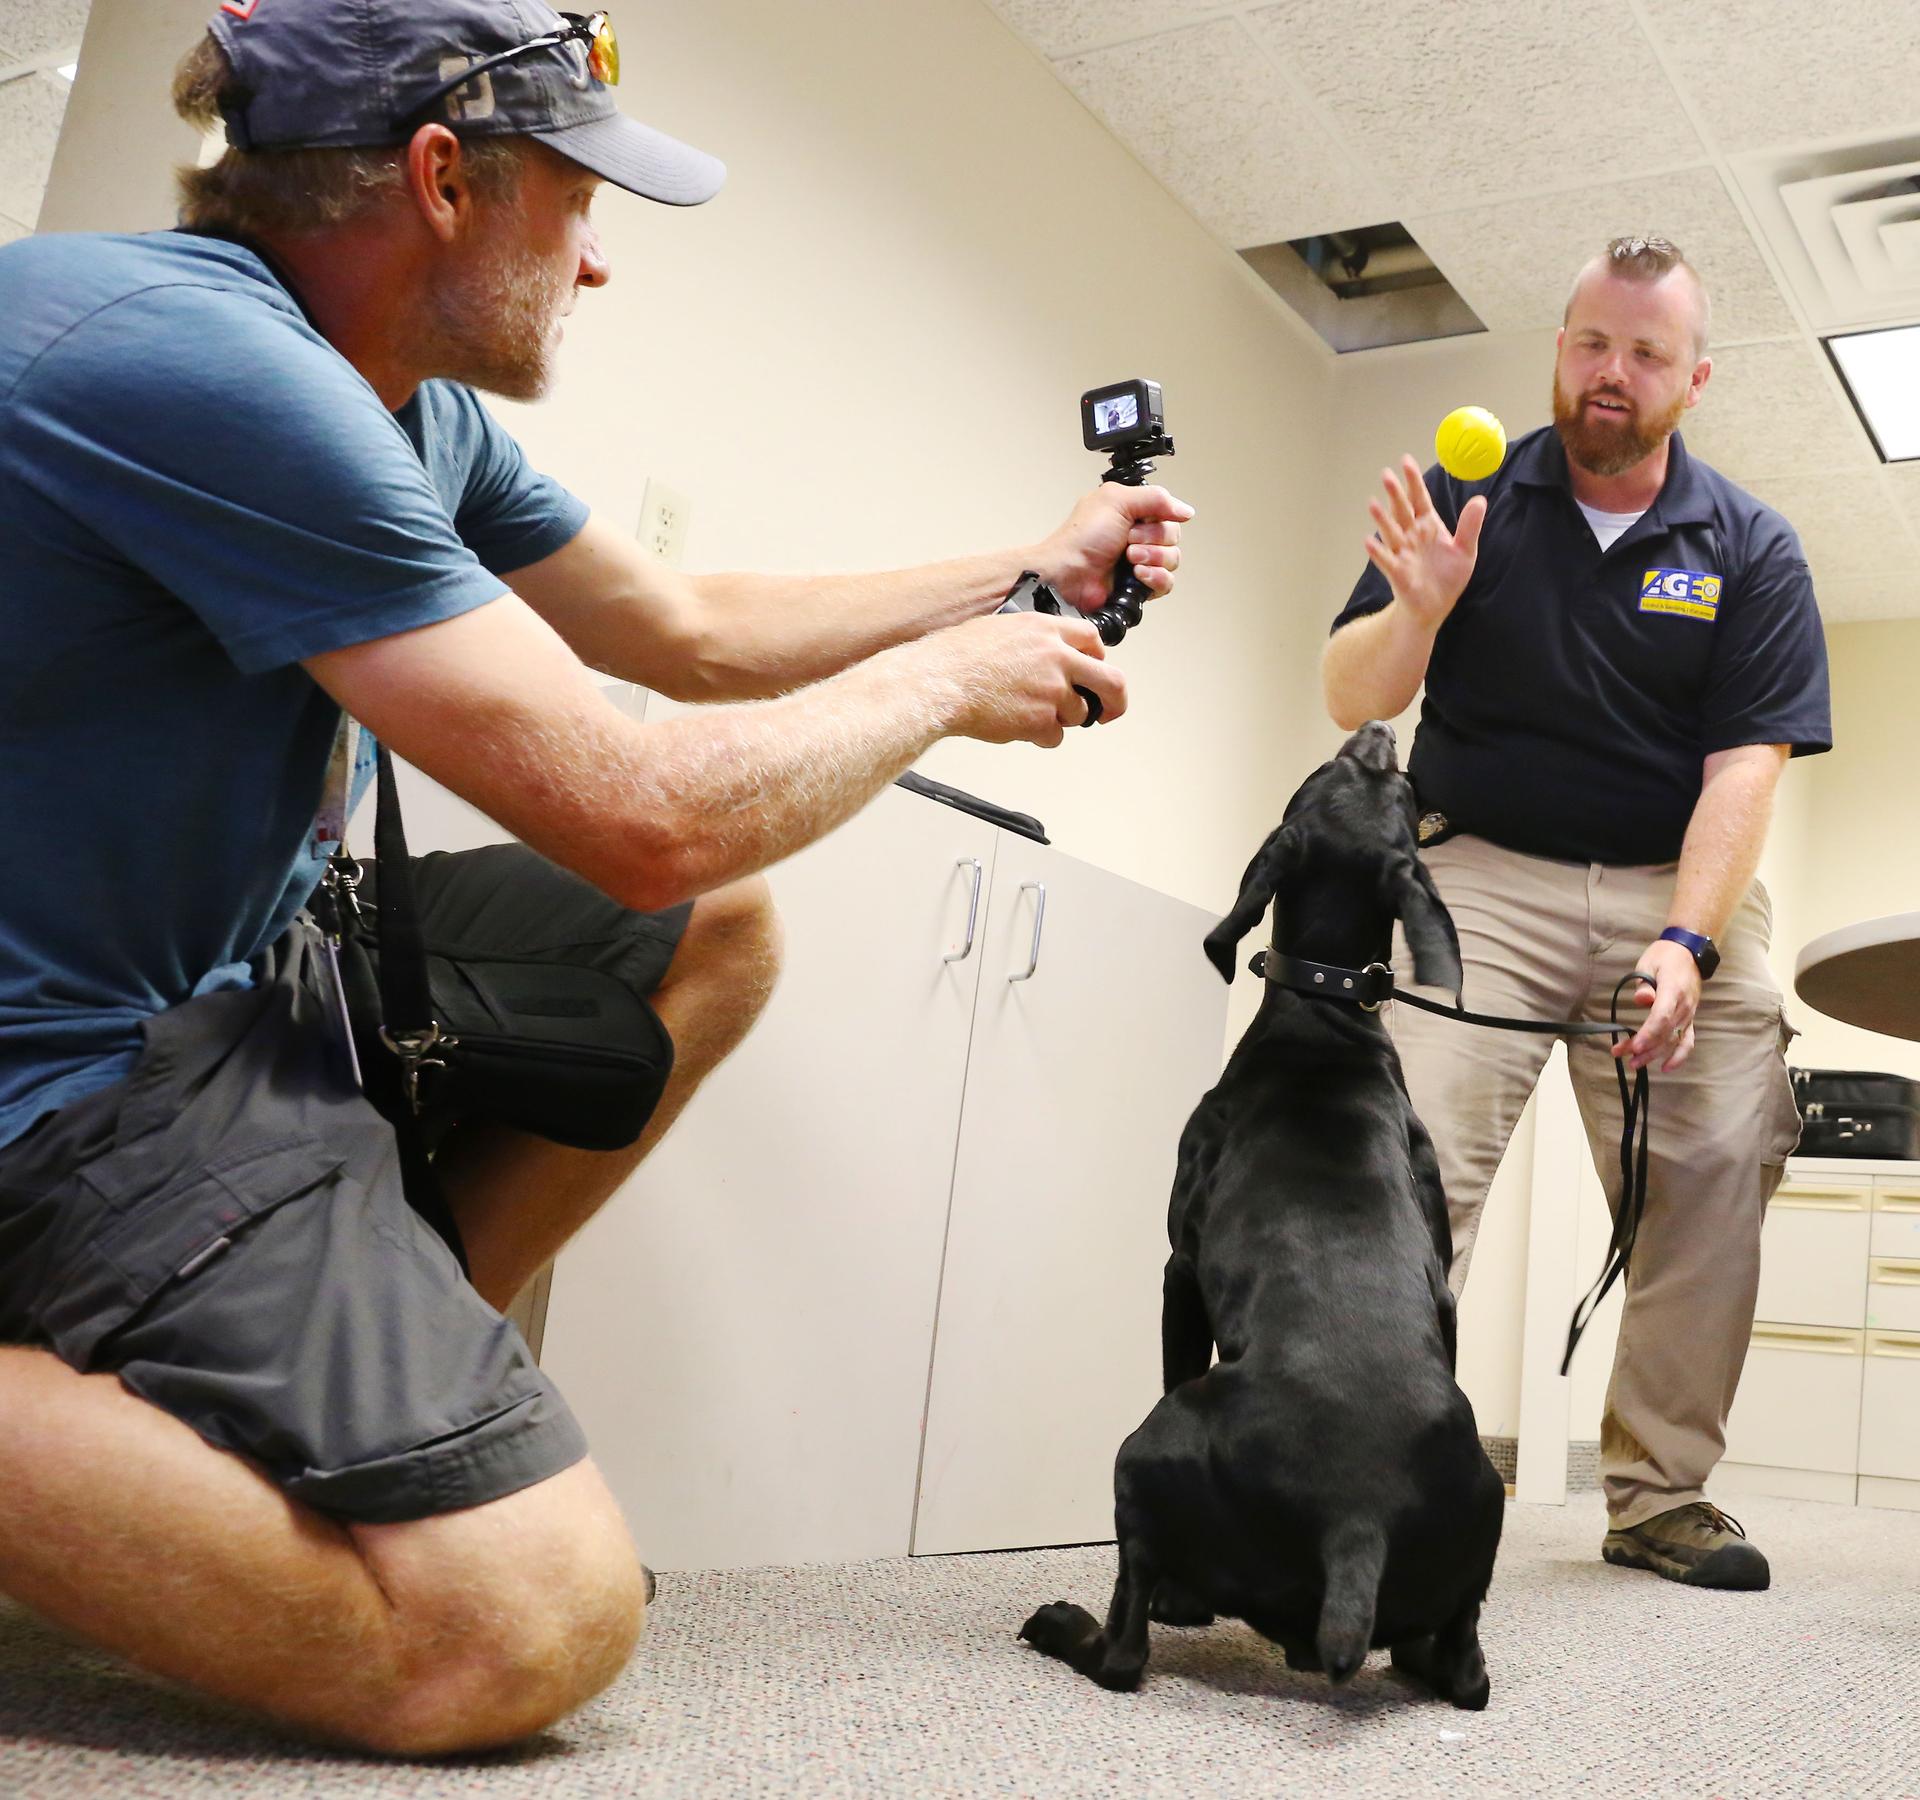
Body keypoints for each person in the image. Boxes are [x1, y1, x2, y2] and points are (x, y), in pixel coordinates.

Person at [0, 0, 1192, 1754]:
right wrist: (951, 689)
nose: (601, 266)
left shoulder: (390, 399)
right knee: (524, 1625)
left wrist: (1018, 573)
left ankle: (365, 1419)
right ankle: (361, 1462)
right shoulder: (197, 367)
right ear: (440, 182)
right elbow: (640, 808)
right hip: (63, 1078)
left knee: (715, 936)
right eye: (581, 201)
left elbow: (693, 637)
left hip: (217, 999)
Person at [1323, 235, 1830, 1592]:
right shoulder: (1468, 492)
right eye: (1593, 342)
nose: (1614, 374)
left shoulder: (1750, 545)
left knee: (1718, 1163)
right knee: (1412, 1160)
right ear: (1557, 346)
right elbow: (1350, 696)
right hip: (1482, 869)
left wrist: (1688, 939)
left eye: (1647, 353)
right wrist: (1417, 615)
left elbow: (1746, 770)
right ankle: (1368, 1481)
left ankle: (1660, 1495)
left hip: (1679, 881)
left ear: (1695, 377)